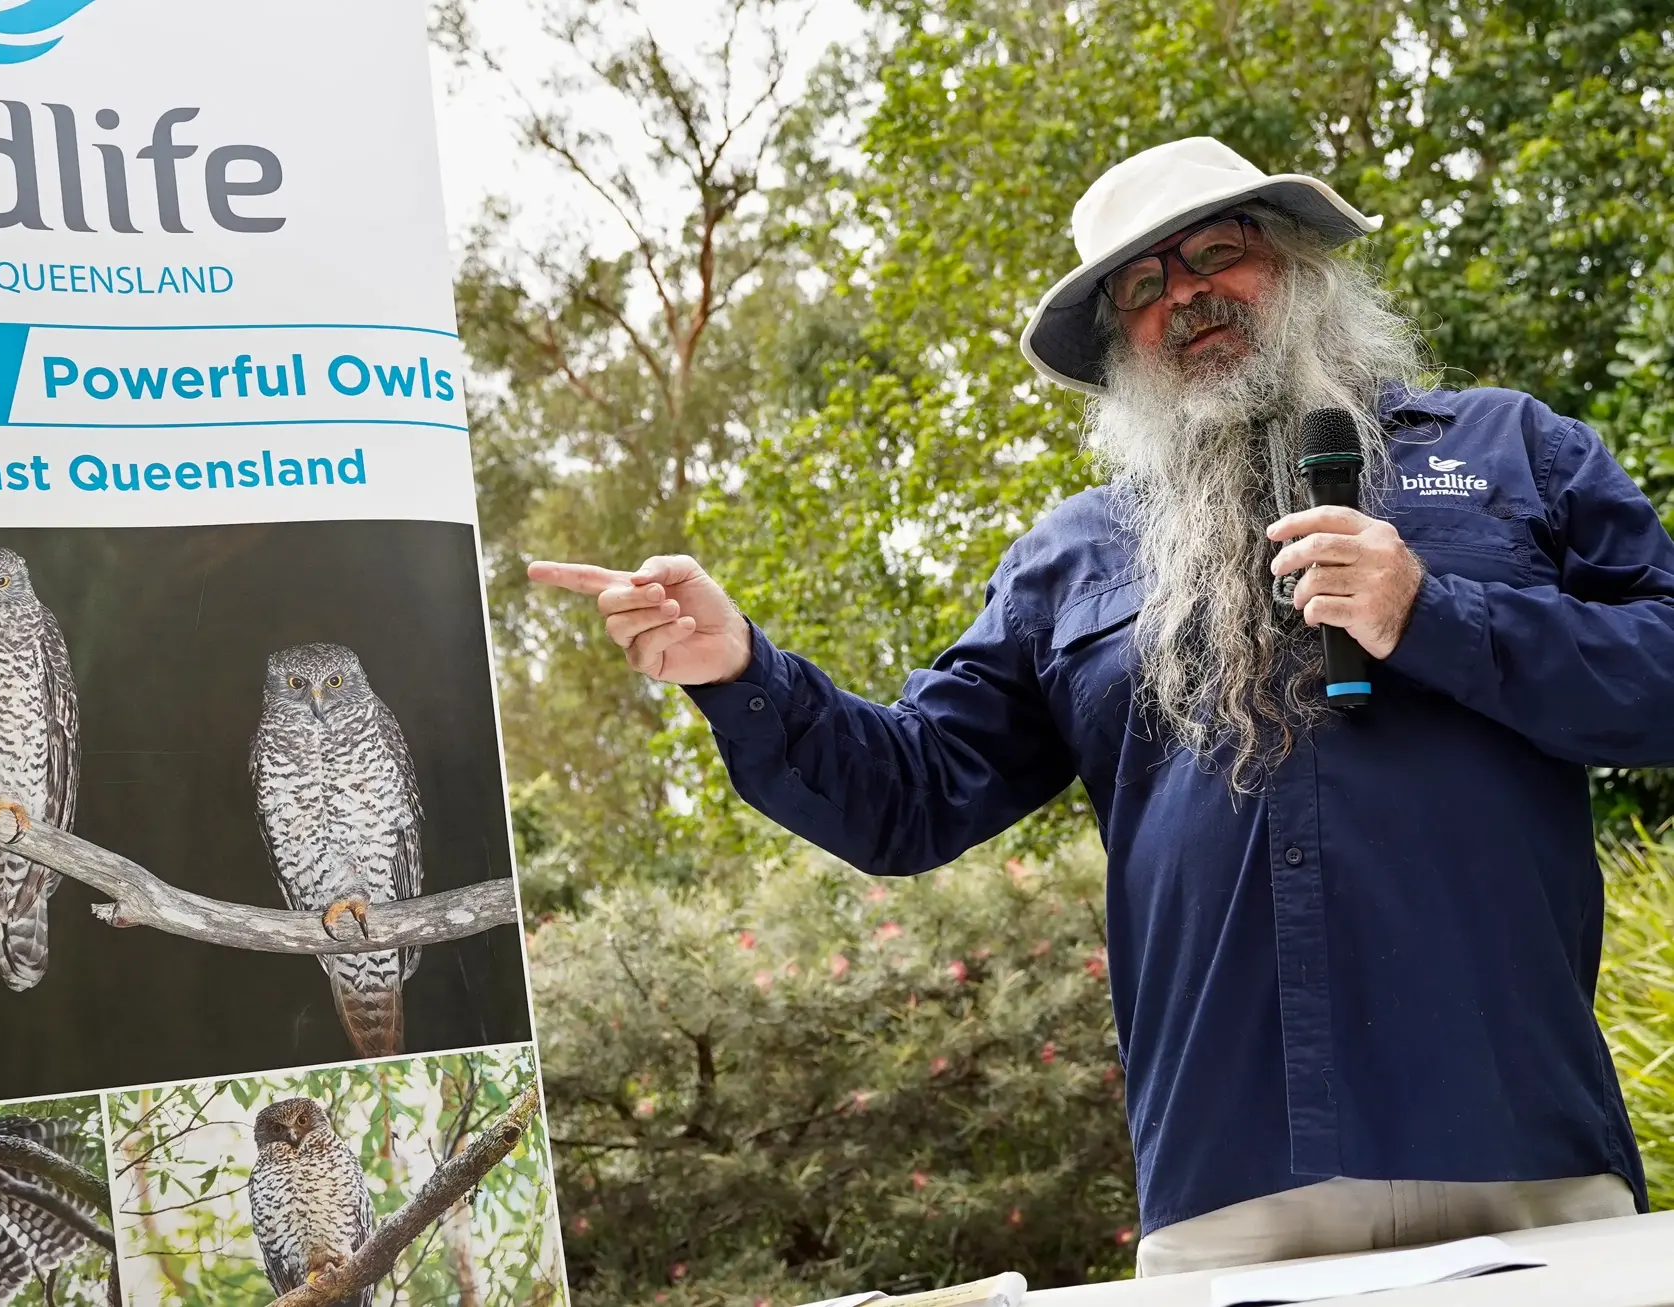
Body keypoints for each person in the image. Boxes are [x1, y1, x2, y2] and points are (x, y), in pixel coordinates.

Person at [527, 136, 1662, 1275]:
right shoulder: (1068, 559)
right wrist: (740, 669)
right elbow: (912, 796)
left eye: (1222, 250)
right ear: (1120, 343)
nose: (1187, 293)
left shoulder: (1517, 452)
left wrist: (1435, 614)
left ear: (1302, 262)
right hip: (1237, 1185)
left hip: (1519, 1139)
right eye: (1143, 285)